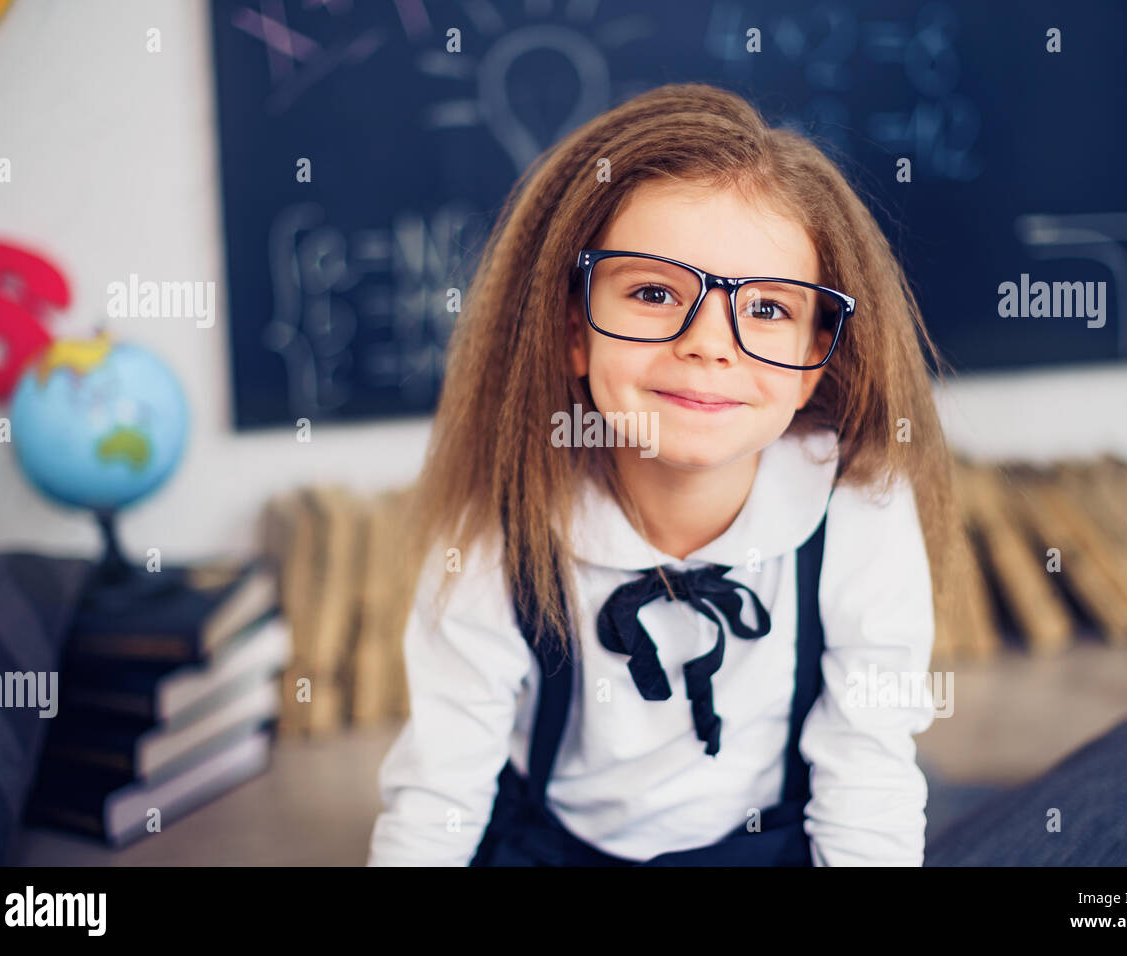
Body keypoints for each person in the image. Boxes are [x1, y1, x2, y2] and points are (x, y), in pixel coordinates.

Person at [367, 81, 964, 866]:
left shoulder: (856, 506)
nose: (710, 344)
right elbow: (440, 789)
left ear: (817, 362)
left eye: (768, 310)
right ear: (572, 332)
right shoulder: (498, 527)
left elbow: (867, 770)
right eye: (653, 292)